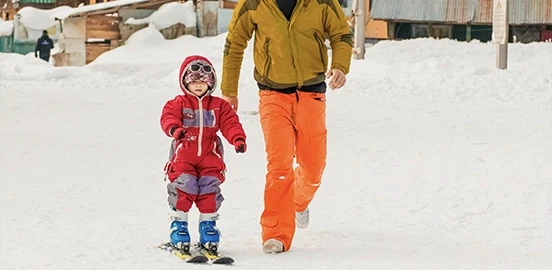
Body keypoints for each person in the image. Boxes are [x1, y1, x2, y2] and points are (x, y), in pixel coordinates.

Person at [221, 0, 353, 254]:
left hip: (312, 93)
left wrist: (340, 66)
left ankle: (297, 201)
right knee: (279, 166)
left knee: (313, 168)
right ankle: (276, 233)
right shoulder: (253, 3)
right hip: (272, 93)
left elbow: (341, 34)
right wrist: (229, 91)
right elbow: (235, 42)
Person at [160, 55, 247, 253]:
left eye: (203, 81)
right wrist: (175, 129)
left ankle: (208, 228)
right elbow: (167, 117)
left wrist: (238, 139)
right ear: (185, 83)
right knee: (184, 189)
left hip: (210, 156)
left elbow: (230, 123)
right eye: (194, 81)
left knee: (209, 192)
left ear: (211, 83)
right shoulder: (178, 103)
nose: (198, 85)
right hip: (184, 155)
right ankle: (179, 227)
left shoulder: (219, 106)